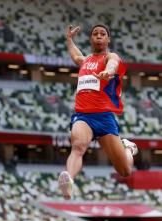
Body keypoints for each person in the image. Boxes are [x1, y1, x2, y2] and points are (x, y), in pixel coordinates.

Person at [58, 24, 138, 200]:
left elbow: (114, 64)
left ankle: (129, 149)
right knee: (78, 146)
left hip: (104, 117)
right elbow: (75, 55)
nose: (99, 36)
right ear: (91, 39)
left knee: (124, 170)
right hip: (83, 115)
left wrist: (107, 72)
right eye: (95, 34)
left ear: (108, 39)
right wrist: (69, 40)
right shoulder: (85, 61)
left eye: (103, 34)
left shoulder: (110, 56)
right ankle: (68, 180)